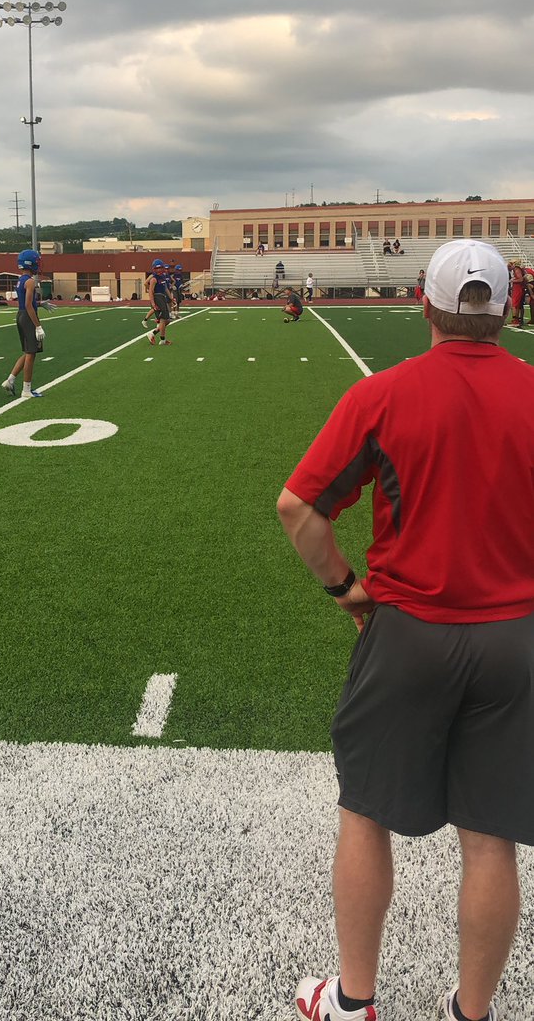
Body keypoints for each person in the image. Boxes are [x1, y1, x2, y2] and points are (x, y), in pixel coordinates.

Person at [277, 239, 534, 1021]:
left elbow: (299, 509)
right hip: (513, 638)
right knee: (490, 837)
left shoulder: (382, 395)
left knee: (364, 812)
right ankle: (472, 1013)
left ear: (423, 304)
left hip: (408, 631)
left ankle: (354, 1004)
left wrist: (345, 591)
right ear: (506, 307)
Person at [1, 249, 55, 399]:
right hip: (28, 316)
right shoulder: (30, 281)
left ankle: (10, 380)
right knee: (31, 354)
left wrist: (40, 303)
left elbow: (27, 303)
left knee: (27, 352)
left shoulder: (21, 280)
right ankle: (26, 389)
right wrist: (38, 325)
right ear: (31, 263)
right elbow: (28, 305)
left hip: (21, 315)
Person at [146, 259, 174, 346]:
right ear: (154, 269)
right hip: (157, 298)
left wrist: (171, 298)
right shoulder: (154, 279)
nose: (159, 270)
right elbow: (150, 291)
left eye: (160, 268)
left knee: (167, 320)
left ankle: (153, 333)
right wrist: (153, 303)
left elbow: (165, 289)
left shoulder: (163, 277)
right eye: (157, 268)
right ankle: (163, 340)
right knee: (163, 319)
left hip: (162, 297)